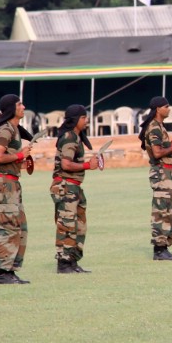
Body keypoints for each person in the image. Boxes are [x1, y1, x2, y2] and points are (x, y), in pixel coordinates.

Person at [50, 104, 105, 274]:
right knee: (67, 225)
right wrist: (88, 165)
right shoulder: (69, 137)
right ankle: (63, 262)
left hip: (74, 186)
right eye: (83, 117)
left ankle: (72, 260)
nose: (86, 120)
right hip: (66, 186)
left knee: (79, 225)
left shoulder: (76, 137)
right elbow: (66, 164)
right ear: (75, 119)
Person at [0, 93, 33, 284]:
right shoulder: (6, 129)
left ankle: (10, 270)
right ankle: (1, 272)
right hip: (4, 186)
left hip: (13, 183)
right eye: (20, 104)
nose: (23, 107)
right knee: (8, 228)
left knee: (20, 228)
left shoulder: (14, 129)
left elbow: (10, 159)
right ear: (11, 109)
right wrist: (19, 156)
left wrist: (23, 162)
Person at [139, 96, 172, 261]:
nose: (168, 109)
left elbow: (163, 147)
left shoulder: (159, 126)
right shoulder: (154, 127)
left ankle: (164, 246)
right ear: (158, 109)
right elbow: (157, 153)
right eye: (166, 106)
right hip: (161, 173)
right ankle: (159, 249)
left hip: (168, 173)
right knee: (162, 212)